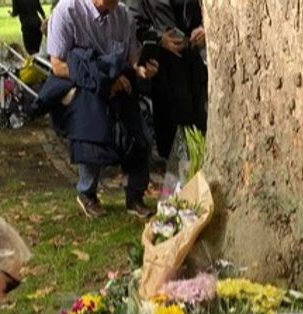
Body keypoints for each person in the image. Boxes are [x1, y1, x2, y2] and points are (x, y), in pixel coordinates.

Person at [46, 0, 159, 219]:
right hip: (81, 85)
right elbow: (58, 65)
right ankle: (87, 193)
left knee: (141, 135)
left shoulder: (123, 15)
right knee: (94, 132)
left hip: (119, 82)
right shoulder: (67, 11)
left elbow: (132, 56)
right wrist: (102, 79)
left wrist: (142, 68)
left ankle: (135, 196)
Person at [127, 0, 208, 159]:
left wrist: (205, 29)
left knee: (199, 120)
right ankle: (176, 171)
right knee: (174, 126)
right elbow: (134, 22)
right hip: (163, 65)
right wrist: (160, 38)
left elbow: (208, 12)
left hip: (193, 59)